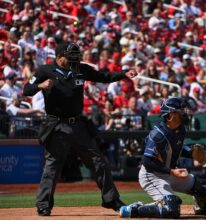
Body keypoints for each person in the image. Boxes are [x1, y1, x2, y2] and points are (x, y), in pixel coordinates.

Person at [23, 42, 138, 216]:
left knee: (99, 162)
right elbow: (27, 89)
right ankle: (43, 204)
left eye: (76, 55)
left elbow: (103, 76)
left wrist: (123, 74)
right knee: (52, 166)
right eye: (70, 55)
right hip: (57, 126)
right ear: (59, 56)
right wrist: (40, 86)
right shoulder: (44, 71)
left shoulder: (80, 69)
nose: (74, 58)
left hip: (78, 125)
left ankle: (111, 199)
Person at [119, 97, 206, 218]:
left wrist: (191, 153)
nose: (185, 113)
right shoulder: (158, 134)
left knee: (202, 187)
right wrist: (172, 171)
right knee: (171, 209)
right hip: (151, 176)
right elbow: (147, 162)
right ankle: (134, 209)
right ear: (170, 115)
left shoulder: (180, 129)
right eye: (181, 111)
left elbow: (177, 147)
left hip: (169, 173)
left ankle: (203, 208)